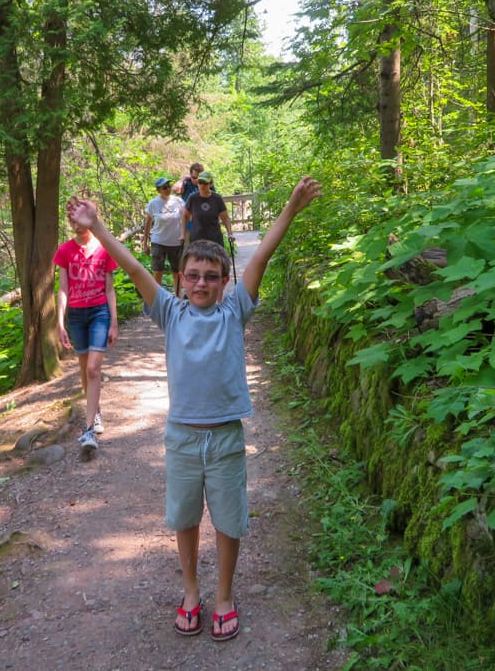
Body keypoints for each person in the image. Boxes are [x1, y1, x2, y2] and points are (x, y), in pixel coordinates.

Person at [65, 176, 323, 642]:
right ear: (181, 279)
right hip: (182, 437)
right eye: (193, 275)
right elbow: (135, 270)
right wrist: (98, 226)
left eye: (211, 276)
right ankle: (190, 591)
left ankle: (223, 595)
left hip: (224, 438)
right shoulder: (171, 313)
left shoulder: (234, 310)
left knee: (228, 520)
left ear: (225, 282)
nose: (201, 282)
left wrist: (290, 209)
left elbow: (260, 254)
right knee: (184, 518)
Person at [53, 217, 119, 455]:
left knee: (93, 368)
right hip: (76, 316)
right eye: (71, 220)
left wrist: (114, 321)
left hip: (99, 312)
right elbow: (63, 289)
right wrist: (60, 324)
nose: (76, 224)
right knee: (84, 369)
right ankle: (96, 412)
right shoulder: (65, 251)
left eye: (80, 219)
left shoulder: (104, 250)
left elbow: (109, 288)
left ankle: (89, 429)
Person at [142, 176, 186, 297]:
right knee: (158, 271)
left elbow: (186, 218)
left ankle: (177, 297)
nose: (168, 189)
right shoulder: (153, 204)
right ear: (159, 190)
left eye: (169, 186)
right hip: (158, 241)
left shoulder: (178, 201)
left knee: (177, 271)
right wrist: (145, 243)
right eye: (164, 187)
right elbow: (148, 224)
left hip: (176, 241)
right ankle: (157, 298)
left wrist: (185, 235)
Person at [184, 170, 234, 248]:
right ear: (197, 183)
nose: (202, 185)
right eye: (200, 182)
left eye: (205, 183)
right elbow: (185, 216)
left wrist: (230, 233)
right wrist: (182, 234)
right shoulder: (192, 198)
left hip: (215, 239)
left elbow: (225, 218)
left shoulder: (217, 198)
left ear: (211, 184)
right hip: (197, 239)